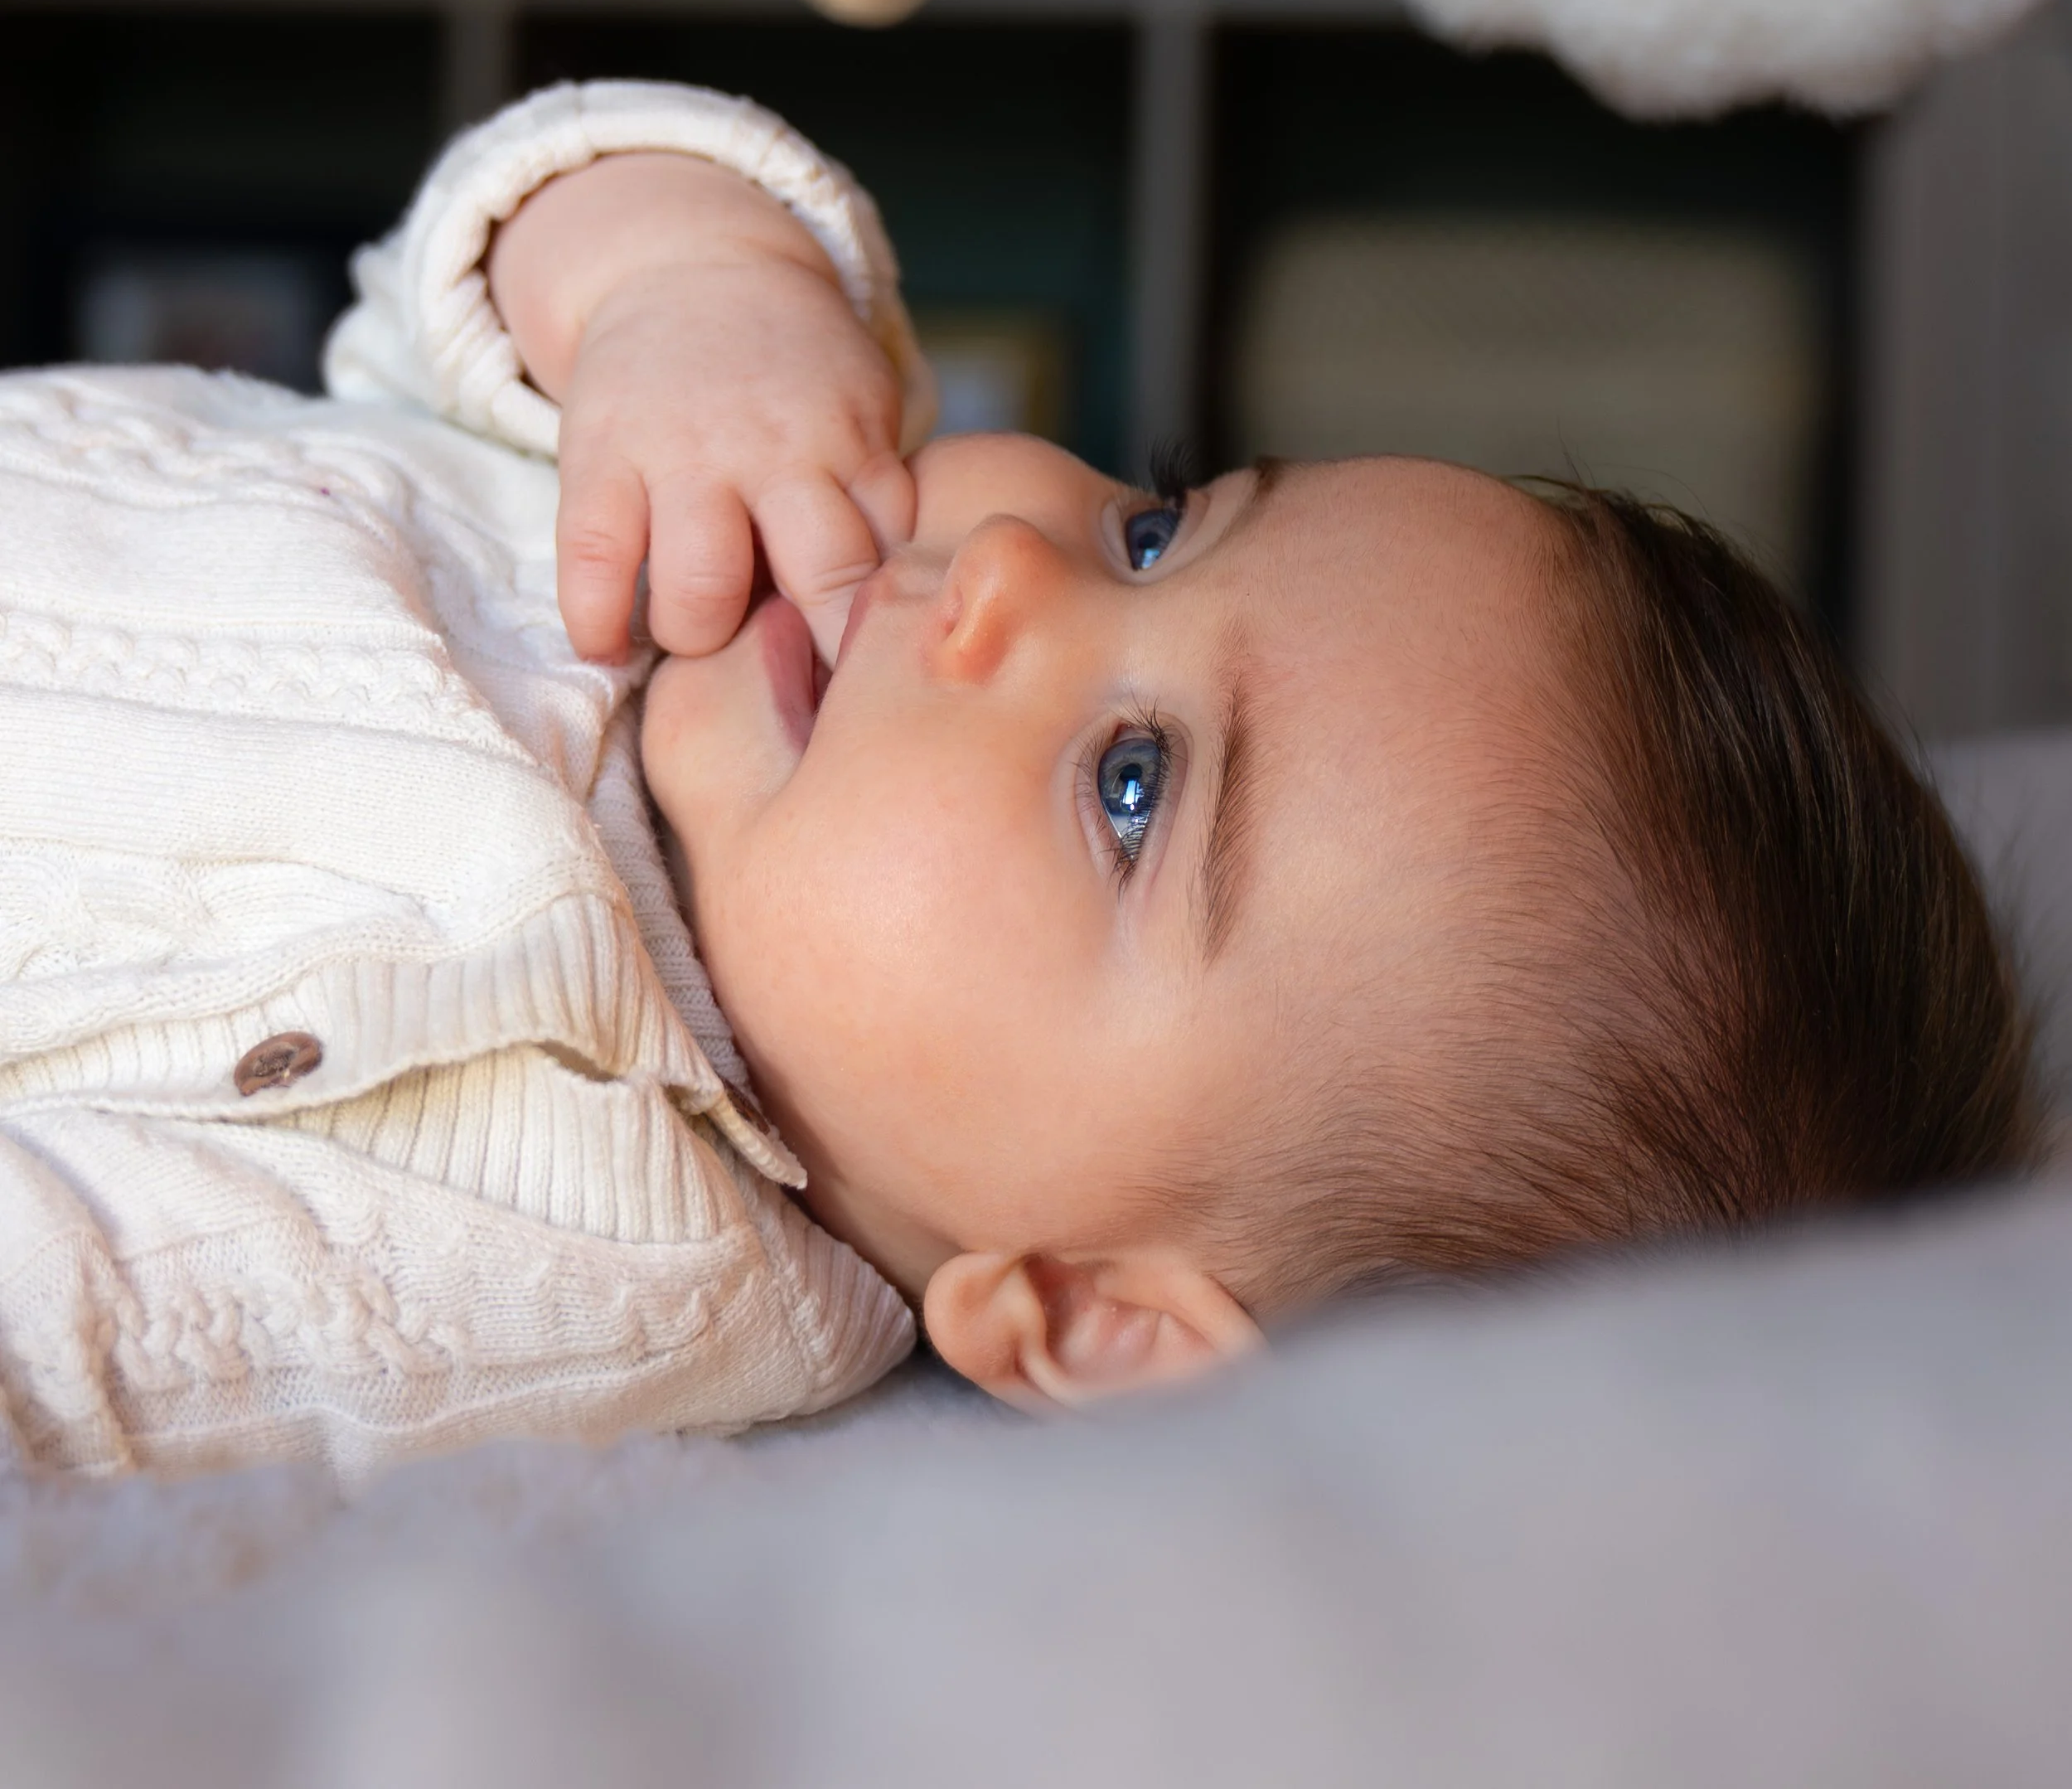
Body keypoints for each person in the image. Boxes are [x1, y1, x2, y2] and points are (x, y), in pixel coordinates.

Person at [0, 82, 2041, 1476]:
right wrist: (685, 296)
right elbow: (489, 236)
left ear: (1090, 1315)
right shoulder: (731, 492)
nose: (1001, 579)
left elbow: (90, 1318)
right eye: (1159, 530)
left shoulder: (605, 1267)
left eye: (1133, 788)